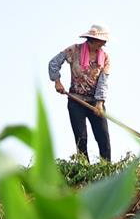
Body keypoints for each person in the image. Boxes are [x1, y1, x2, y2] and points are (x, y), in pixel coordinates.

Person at [47, 23, 112, 162]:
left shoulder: (105, 58)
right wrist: (57, 82)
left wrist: (100, 103)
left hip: (95, 102)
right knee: (81, 138)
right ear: (92, 40)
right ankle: (84, 170)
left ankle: (107, 170)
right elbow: (53, 63)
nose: (104, 43)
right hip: (76, 100)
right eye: (102, 41)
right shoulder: (74, 50)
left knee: (103, 138)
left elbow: (103, 81)